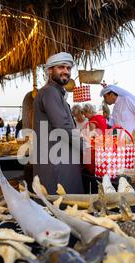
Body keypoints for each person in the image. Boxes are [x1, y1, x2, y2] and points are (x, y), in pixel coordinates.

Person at [33, 52, 84, 194]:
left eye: (68, 68)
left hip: (56, 159)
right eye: (61, 67)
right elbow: (62, 126)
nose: (66, 72)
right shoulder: (50, 92)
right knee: (61, 206)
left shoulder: (55, 92)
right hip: (56, 162)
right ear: (50, 70)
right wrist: (85, 147)